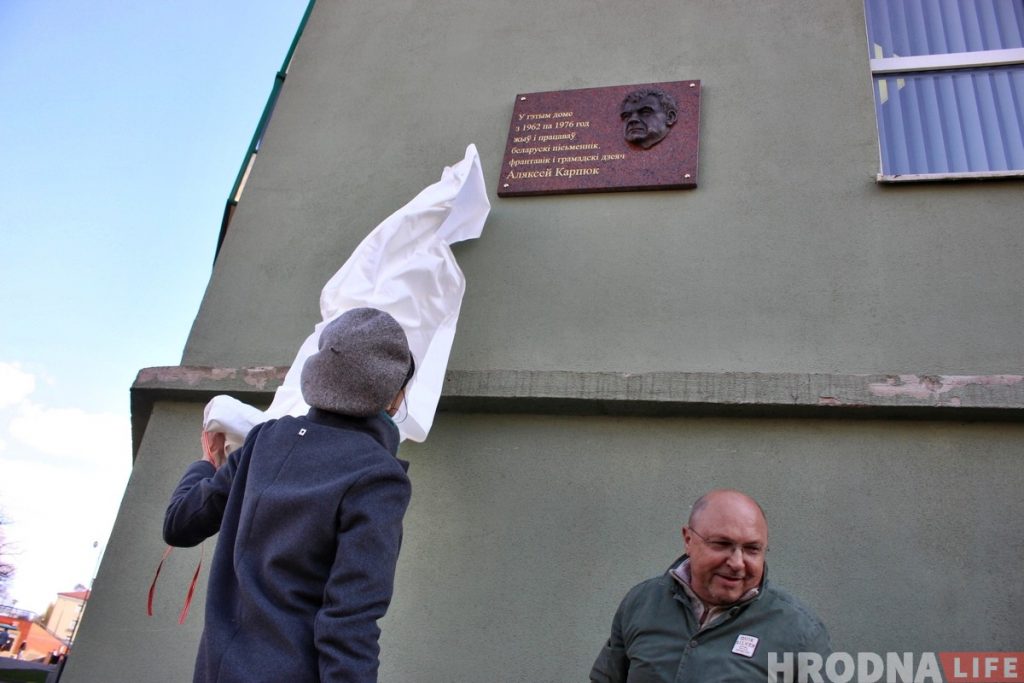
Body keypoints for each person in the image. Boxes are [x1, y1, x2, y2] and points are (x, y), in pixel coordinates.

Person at [164, 307, 416, 683]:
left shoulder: (263, 441)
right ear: (393, 398)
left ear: (317, 373)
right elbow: (350, 621)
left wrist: (206, 463)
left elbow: (179, 524)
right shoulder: (377, 477)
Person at [590, 489, 831, 682]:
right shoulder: (642, 603)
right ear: (688, 540)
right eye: (721, 544)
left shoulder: (799, 632)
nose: (737, 563)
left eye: (752, 549)